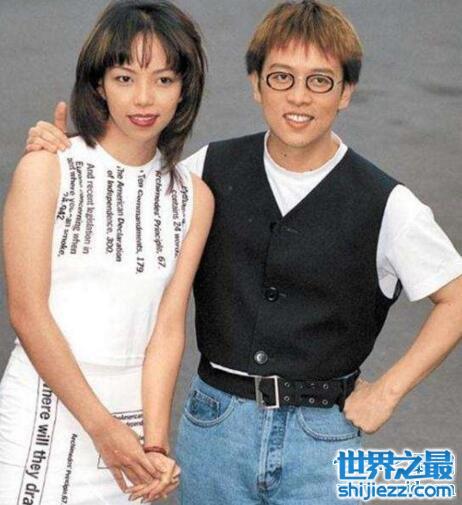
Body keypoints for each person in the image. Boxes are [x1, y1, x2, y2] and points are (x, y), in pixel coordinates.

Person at [24, 1, 462, 504]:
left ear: (346, 92)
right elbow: (128, 197)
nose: (299, 97)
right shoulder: (207, 169)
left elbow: (455, 296)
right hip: (215, 428)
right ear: (256, 84)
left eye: (320, 81)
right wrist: (70, 152)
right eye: (281, 78)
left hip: (323, 439)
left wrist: (388, 390)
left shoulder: (386, 203)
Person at [0, 1, 213, 504]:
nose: (144, 98)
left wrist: (155, 444)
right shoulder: (47, 168)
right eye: (124, 78)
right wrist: (101, 428)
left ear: (184, 89)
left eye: (164, 80)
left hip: (132, 427)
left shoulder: (193, 197)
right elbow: (27, 313)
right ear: (98, 84)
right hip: (45, 414)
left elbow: (167, 329)